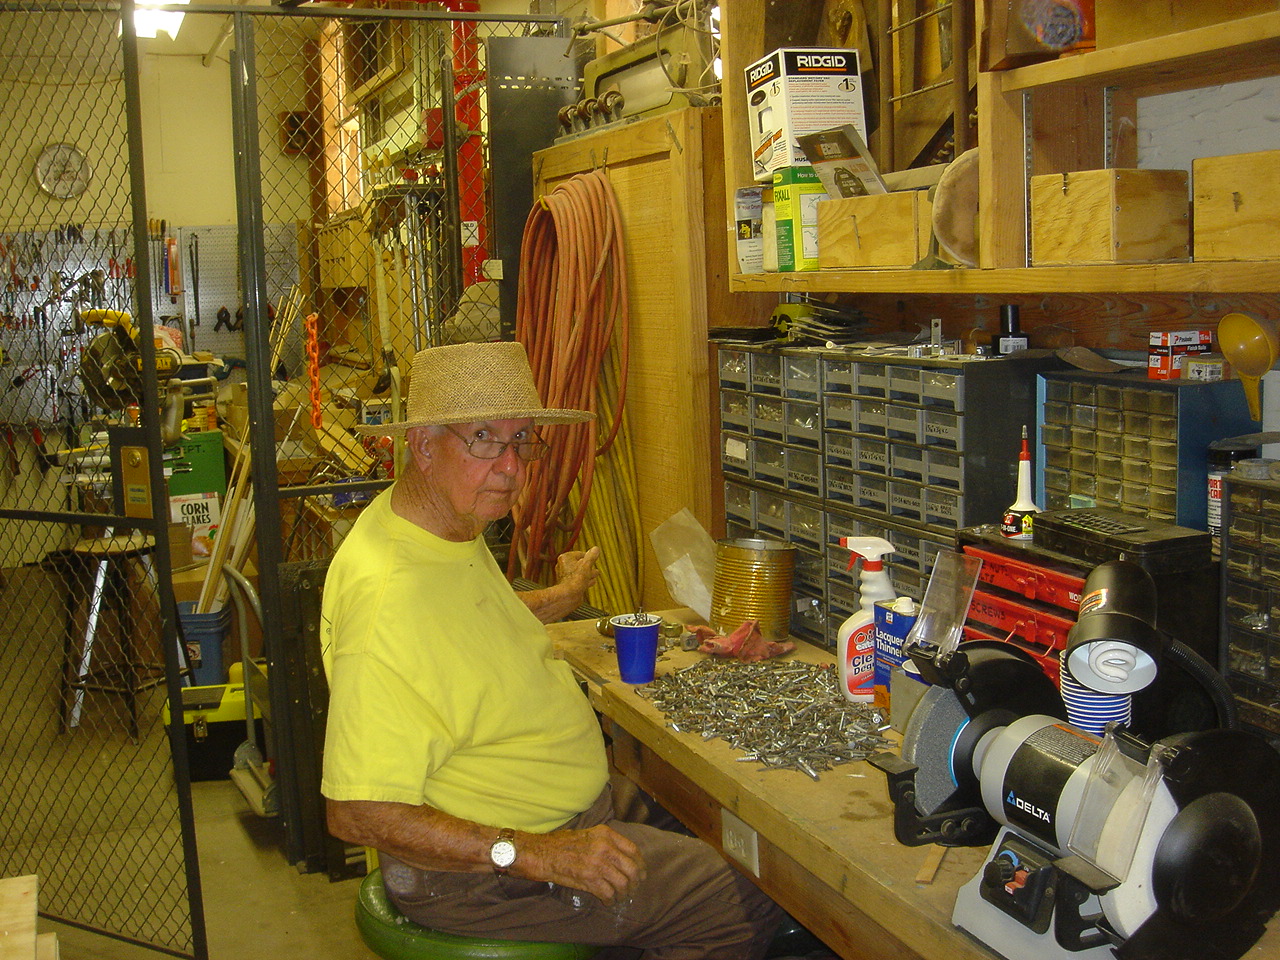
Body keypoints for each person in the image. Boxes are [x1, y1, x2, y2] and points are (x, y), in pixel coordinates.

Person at [321, 341, 784, 959]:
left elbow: (462, 629)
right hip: (484, 874)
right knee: (754, 896)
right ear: (423, 446)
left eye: (521, 440)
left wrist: (559, 598)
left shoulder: (441, 525)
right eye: (484, 438)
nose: (511, 466)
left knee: (730, 826)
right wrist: (537, 853)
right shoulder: (386, 604)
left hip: (553, 812)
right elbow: (357, 812)